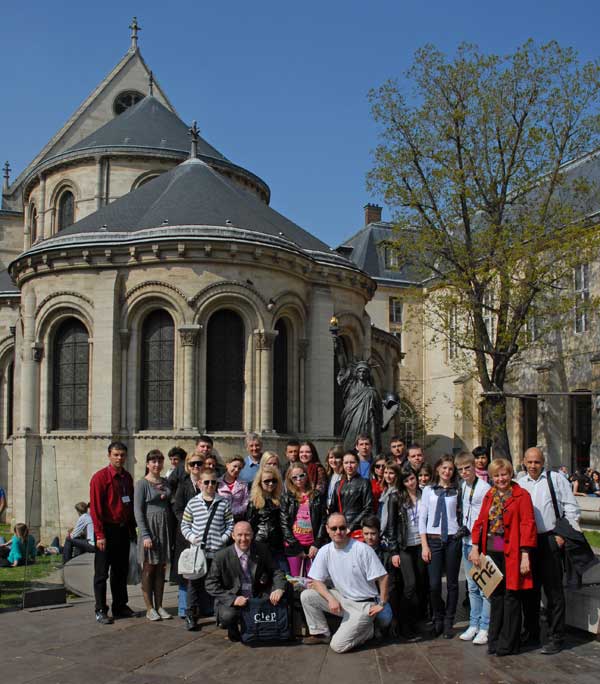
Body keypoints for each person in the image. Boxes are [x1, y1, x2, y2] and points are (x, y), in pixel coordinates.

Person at [470, 458, 537, 656]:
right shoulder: (489, 495)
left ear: (511, 474)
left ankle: (509, 643)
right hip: (493, 548)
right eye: (497, 475)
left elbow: (527, 524)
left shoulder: (521, 495)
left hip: (513, 551)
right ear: (491, 477)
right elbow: (481, 521)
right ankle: (495, 639)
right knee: (496, 596)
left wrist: (525, 555)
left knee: (511, 596)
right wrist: (475, 547)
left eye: (504, 474)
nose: (501, 478)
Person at [519, 446, 580, 655]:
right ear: (524, 462)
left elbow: (571, 507)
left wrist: (562, 536)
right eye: (530, 462)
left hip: (550, 540)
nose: (533, 466)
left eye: (537, 462)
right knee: (530, 591)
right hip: (528, 542)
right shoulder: (519, 483)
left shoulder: (556, 479)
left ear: (543, 462)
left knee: (554, 592)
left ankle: (556, 636)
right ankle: (532, 634)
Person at [300, 512, 389, 653]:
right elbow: (316, 580)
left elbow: (383, 577)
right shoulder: (325, 551)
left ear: (347, 529)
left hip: (364, 604)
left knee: (338, 646)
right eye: (334, 528)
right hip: (342, 600)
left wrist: (382, 603)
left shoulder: (362, 549)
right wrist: (330, 599)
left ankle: (368, 631)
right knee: (307, 596)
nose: (338, 532)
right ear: (327, 529)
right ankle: (321, 633)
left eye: (342, 528)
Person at [205, 521, 287, 642]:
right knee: (228, 616)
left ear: (253, 535)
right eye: (239, 535)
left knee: (286, 590)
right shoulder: (221, 556)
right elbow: (210, 584)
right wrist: (233, 599)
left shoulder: (262, 549)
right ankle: (233, 630)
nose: (243, 539)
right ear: (233, 536)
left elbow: (276, 571)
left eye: (247, 534)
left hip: (257, 594)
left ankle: (269, 629)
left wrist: (279, 588)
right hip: (234, 596)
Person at [180, 467, 234, 631]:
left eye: (213, 482)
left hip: (217, 551)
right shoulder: (193, 503)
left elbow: (230, 524)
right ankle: (191, 615)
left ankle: (219, 615)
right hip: (198, 552)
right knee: (194, 585)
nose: (210, 485)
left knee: (218, 584)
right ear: (199, 483)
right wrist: (191, 538)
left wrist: (223, 539)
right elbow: (185, 525)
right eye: (206, 482)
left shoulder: (223, 502)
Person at [89, 441, 136, 625]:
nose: (119, 458)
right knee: (101, 573)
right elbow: (96, 509)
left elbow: (129, 504)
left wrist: (132, 529)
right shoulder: (100, 478)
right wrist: (100, 534)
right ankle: (100, 609)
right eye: (116, 455)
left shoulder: (127, 477)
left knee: (120, 571)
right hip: (106, 530)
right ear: (109, 455)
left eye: (122, 455)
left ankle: (120, 605)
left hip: (123, 529)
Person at [419, 454, 462, 638]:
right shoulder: (428, 490)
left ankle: (448, 621)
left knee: (452, 583)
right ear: (437, 469)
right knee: (434, 584)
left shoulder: (457, 490)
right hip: (433, 539)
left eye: (450, 469)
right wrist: (424, 545)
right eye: (444, 468)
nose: (447, 471)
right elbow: (423, 518)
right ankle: (438, 616)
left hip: (452, 538)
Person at [454, 452, 491, 645]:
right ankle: (474, 623)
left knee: (485, 587)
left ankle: (485, 626)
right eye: (460, 470)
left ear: (474, 467)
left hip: (480, 543)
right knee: (472, 587)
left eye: (467, 468)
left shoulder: (484, 488)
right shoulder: (462, 486)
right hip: (465, 541)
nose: (464, 472)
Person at [134, 449, 172, 621]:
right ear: (148, 464)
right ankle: (149, 608)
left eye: (159, 461)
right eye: (153, 461)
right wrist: (146, 534)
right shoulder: (142, 484)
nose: (157, 465)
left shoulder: (165, 482)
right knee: (149, 569)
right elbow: (138, 511)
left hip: (164, 530)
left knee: (161, 569)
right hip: (150, 530)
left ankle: (160, 605)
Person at [392, 467, 429, 637]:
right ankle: (403, 622)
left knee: (421, 584)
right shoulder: (397, 498)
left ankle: (417, 620)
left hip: (421, 545)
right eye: (406, 480)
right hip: (405, 547)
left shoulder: (425, 494)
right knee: (410, 584)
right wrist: (394, 551)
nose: (410, 483)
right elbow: (392, 527)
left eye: (412, 479)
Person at [335, 346, 384, 454]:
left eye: (365, 372)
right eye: (360, 371)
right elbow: (342, 366)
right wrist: (338, 346)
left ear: (368, 374)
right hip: (352, 423)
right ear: (356, 373)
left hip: (369, 424)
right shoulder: (350, 385)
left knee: (368, 445)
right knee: (349, 448)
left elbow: (379, 413)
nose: (362, 374)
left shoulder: (372, 391)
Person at [281, 463, 326, 576]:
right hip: (294, 546)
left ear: (307, 475)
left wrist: (317, 543)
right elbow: (284, 524)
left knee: (313, 580)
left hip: (313, 545)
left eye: (301, 475)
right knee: (296, 581)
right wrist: (296, 546)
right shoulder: (287, 497)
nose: (299, 479)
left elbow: (323, 521)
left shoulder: (316, 495)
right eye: (294, 477)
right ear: (290, 480)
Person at [172, 452, 204, 617]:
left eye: (199, 463)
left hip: (203, 535)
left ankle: (200, 607)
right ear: (188, 467)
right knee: (187, 570)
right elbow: (177, 508)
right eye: (193, 464)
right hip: (186, 534)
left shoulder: (207, 483)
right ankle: (184, 608)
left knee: (201, 569)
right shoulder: (184, 485)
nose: (196, 467)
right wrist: (188, 524)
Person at [246, 465, 288, 572]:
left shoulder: (280, 499)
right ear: (259, 482)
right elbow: (249, 525)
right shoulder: (254, 502)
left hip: (277, 546)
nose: (271, 483)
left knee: (284, 576)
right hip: (260, 545)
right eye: (267, 481)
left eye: (274, 481)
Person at [361, 515, 395, 637]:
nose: (369, 537)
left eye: (373, 533)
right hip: (360, 595)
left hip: (378, 596)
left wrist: (383, 600)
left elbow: (390, 582)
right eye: (366, 533)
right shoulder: (357, 550)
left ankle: (378, 627)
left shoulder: (386, 553)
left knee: (385, 618)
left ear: (379, 533)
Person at [330, 451, 373, 537]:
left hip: (357, 529)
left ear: (357, 464)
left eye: (352, 462)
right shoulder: (338, 484)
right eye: (346, 463)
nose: (349, 466)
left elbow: (368, 508)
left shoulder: (364, 483)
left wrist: (351, 526)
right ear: (342, 464)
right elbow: (333, 508)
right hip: (340, 527)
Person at [217, 454, 249, 521]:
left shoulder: (243, 484)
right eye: (234, 466)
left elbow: (245, 502)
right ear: (227, 465)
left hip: (238, 519)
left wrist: (234, 511)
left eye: (239, 468)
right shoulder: (217, 483)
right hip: (221, 518)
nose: (237, 470)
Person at [324, 444, 344, 513]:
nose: (334, 460)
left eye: (337, 457)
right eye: (331, 457)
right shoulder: (326, 476)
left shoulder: (346, 477)